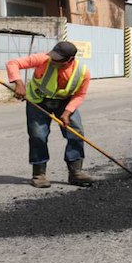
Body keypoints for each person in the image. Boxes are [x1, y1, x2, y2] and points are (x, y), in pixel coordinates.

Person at [6, 41, 94, 188]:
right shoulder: (44, 59)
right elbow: (12, 63)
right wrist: (18, 83)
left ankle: (75, 172)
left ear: (70, 60)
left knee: (76, 133)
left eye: (58, 59)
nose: (52, 60)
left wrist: (67, 113)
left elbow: (79, 95)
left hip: (64, 103)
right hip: (38, 101)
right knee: (38, 135)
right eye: (53, 56)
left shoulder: (83, 72)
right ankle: (39, 175)